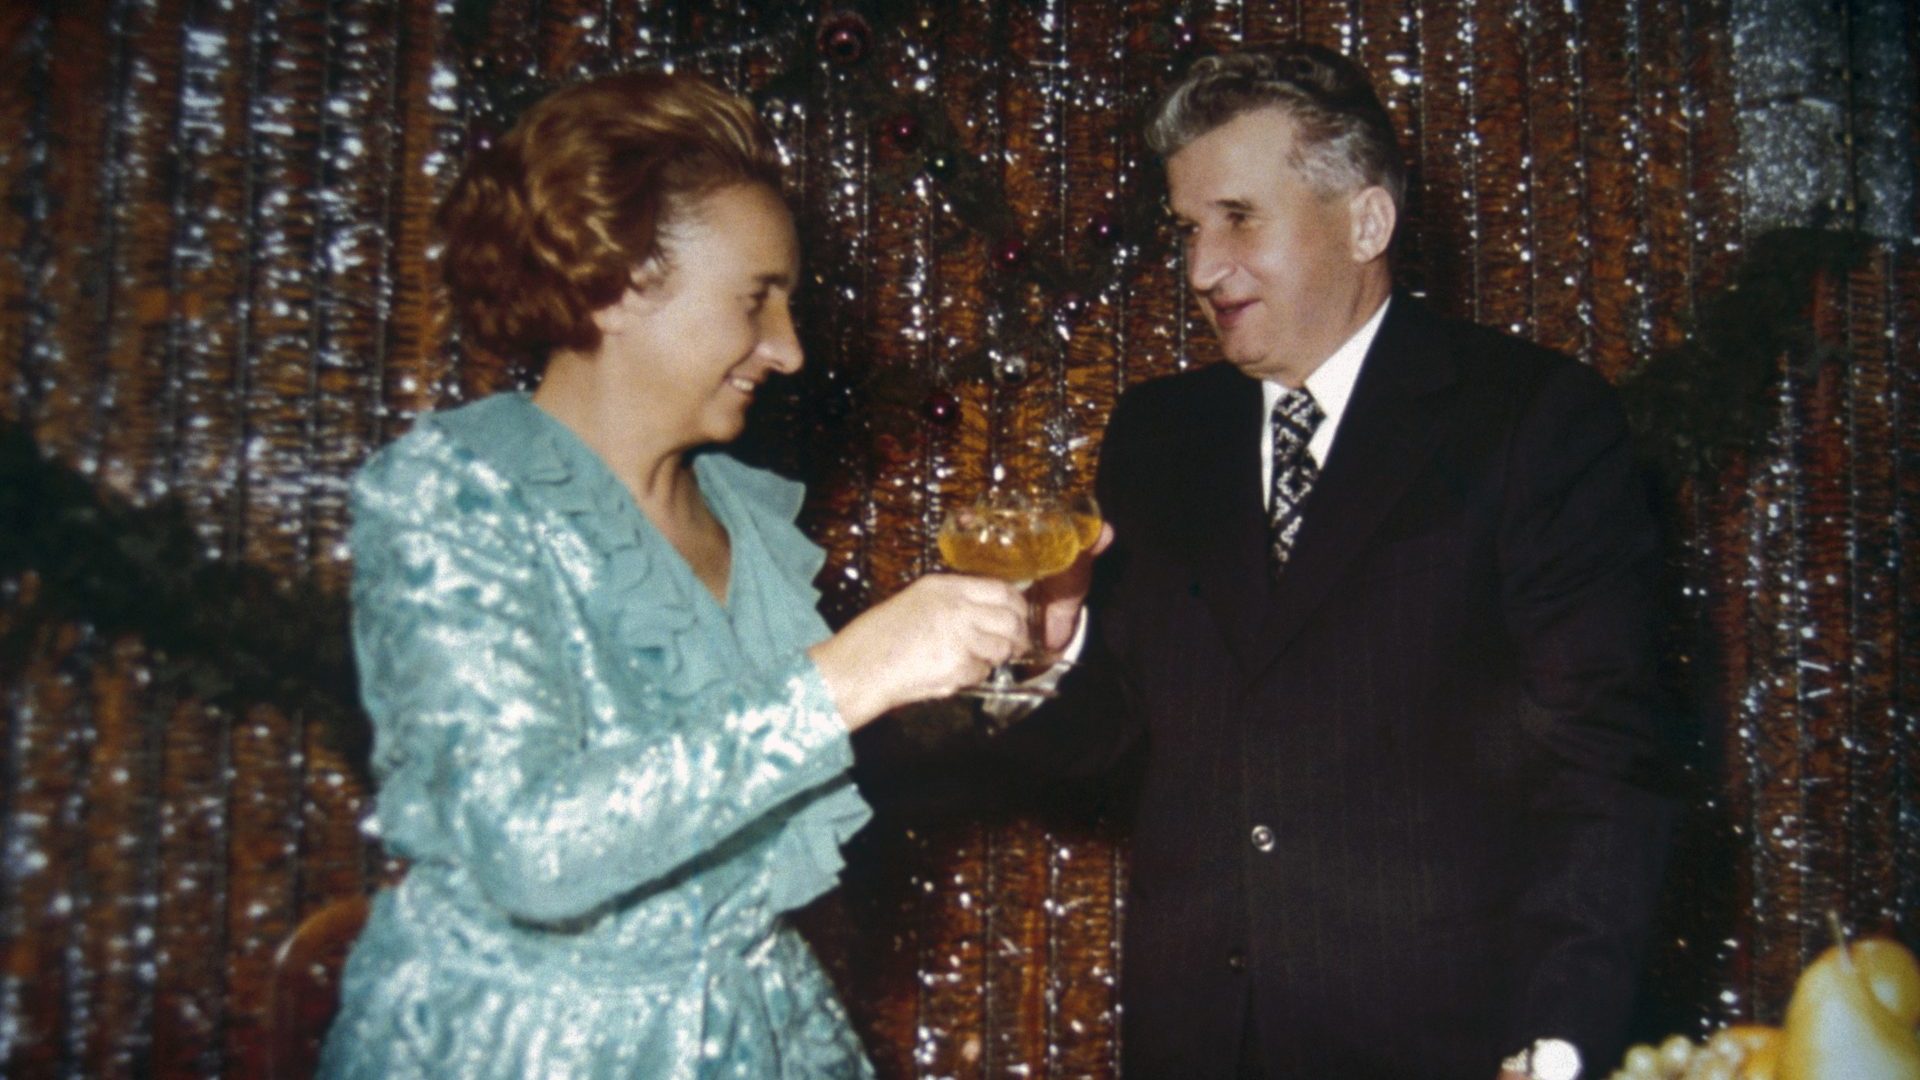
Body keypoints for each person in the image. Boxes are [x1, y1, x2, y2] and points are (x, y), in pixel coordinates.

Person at [317, 71, 1028, 1078]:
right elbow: (530, 849)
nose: (787, 349)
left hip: (746, 1022)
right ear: (614, 284)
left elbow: (783, 768)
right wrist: (852, 673)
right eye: (756, 300)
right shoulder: (455, 497)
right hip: (522, 1046)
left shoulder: (746, 509)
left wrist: (999, 658)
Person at [1016, 43, 1679, 1080]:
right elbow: (1108, 740)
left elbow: (1605, 766)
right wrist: (1039, 660)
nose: (1200, 269)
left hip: (1450, 1047)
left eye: (1239, 219)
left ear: (1367, 221)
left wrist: (1555, 1046)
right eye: (1191, 229)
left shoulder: (1531, 419)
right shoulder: (1157, 433)